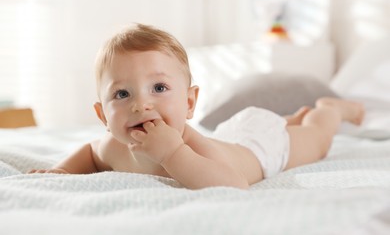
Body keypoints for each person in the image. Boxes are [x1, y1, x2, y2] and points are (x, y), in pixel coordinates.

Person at [29, 24, 365, 189]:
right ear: (102, 115)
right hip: (232, 135)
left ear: (189, 103)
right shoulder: (112, 147)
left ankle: (330, 110)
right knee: (287, 124)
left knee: (316, 139)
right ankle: (292, 118)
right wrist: (62, 171)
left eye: (159, 88)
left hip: (264, 147)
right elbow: (90, 152)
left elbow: (233, 184)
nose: (141, 104)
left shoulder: (191, 145)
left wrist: (173, 154)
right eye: (121, 95)